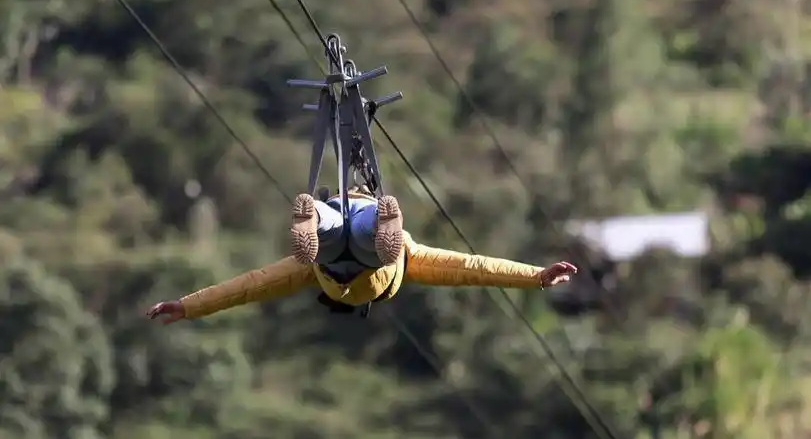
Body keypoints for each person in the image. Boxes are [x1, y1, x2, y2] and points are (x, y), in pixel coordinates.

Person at [147, 189, 577, 324]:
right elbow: (473, 270)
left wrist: (187, 306)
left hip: (362, 246)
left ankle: (318, 216)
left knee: (349, 231)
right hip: (356, 250)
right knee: (347, 232)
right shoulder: (309, 273)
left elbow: (246, 287)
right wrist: (535, 276)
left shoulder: (313, 271)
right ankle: (318, 216)